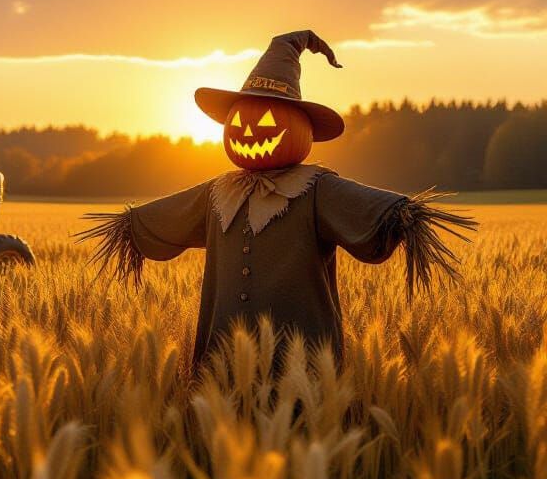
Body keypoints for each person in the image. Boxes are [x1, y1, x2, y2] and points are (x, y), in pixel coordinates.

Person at [79, 31, 476, 368]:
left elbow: (377, 212)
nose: (251, 131)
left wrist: (407, 217)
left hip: (301, 359)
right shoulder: (217, 192)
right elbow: (159, 219)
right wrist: (125, 227)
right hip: (225, 356)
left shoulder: (316, 189)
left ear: (300, 125)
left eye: (268, 120)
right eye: (240, 121)